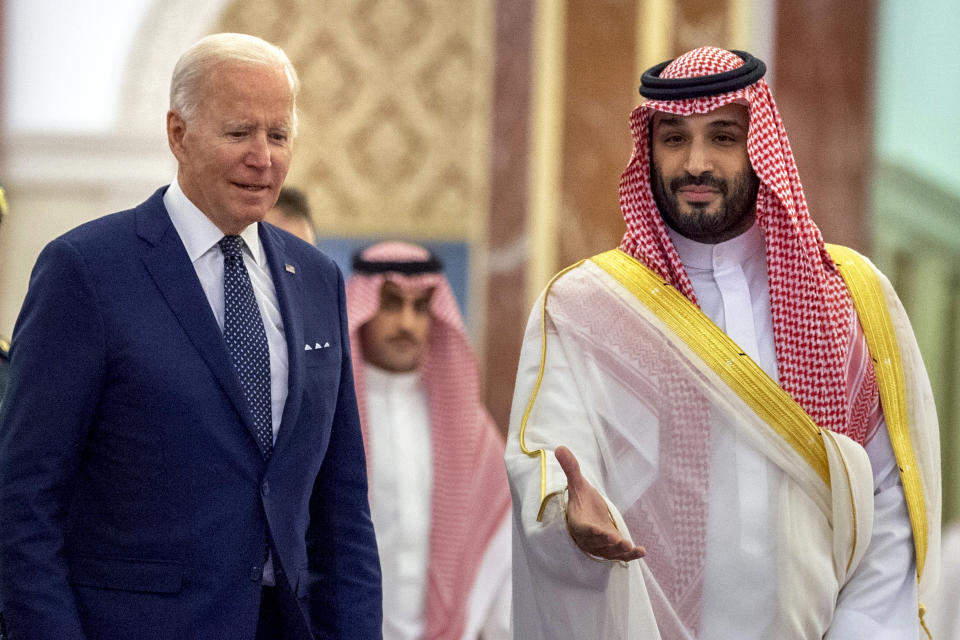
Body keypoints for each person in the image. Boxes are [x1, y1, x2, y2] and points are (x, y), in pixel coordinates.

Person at [505, 46, 941, 639]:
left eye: (723, 137)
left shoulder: (850, 297)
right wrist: (564, 519)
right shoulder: (587, 307)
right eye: (674, 139)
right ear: (649, 149)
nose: (697, 163)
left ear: (759, 146)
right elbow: (550, 462)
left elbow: (889, 506)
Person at [0, 33, 381, 640]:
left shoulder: (316, 279)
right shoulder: (87, 269)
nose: (264, 157)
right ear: (179, 134)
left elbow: (343, 512)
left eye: (278, 135)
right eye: (239, 133)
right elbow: (24, 503)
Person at [346, 242, 511, 640]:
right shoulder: (331, 419)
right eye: (391, 303)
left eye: (420, 307)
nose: (407, 322)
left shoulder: (471, 430)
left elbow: (501, 551)